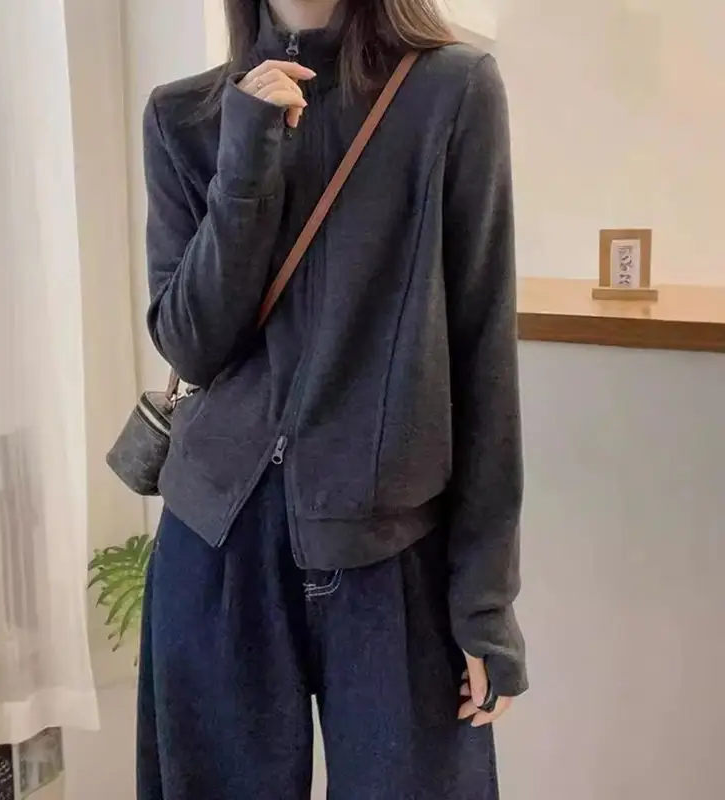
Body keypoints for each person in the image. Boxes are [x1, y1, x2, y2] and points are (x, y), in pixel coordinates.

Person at [137, 0, 527, 797]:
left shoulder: (452, 92)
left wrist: (485, 603)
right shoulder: (185, 116)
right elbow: (190, 344)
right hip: (217, 550)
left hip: (393, 559)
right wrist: (246, 161)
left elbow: (482, 350)